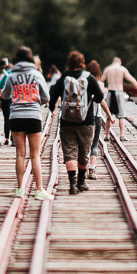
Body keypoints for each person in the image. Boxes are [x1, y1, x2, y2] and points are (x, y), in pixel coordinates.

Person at [0, 47, 53, 199]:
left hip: (16, 116)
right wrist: (37, 101)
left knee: (20, 154)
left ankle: (20, 189)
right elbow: (46, 97)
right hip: (33, 116)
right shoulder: (37, 74)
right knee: (35, 155)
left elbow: (5, 94)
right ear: (30, 59)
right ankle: (39, 190)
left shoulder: (11, 75)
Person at [51, 50, 106, 193]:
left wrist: (52, 108)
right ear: (82, 62)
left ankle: (72, 185)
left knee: (69, 152)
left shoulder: (64, 77)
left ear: (69, 62)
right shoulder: (90, 78)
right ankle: (81, 183)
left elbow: (53, 95)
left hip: (66, 121)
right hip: (86, 121)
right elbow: (100, 97)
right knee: (84, 152)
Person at [100, 55, 137, 134]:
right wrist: (136, 85)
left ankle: (107, 134)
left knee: (109, 115)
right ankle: (122, 135)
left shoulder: (108, 69)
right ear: (120, 62)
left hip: (110, 92)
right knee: (121, 115)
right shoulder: (122, 69)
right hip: (119, 92)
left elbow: (101, 80)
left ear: (113, 62)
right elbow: (131, 78)